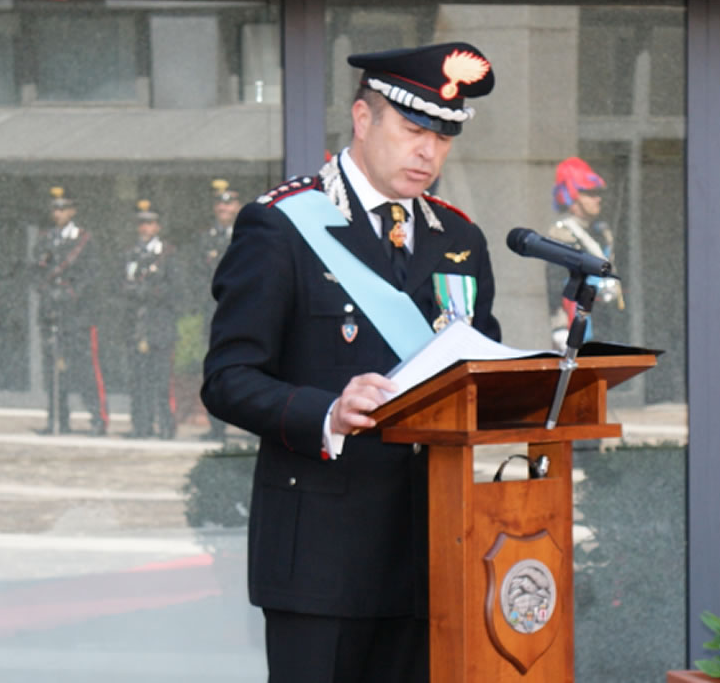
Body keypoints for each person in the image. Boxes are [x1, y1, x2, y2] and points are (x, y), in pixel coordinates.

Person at [201, 41, 500, 683]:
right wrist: (328, 412)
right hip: (322, 559)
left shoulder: (460, 240)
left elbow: (479, 372)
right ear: (364, 119)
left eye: (444, 138)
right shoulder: (281, 226)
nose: (429, 152)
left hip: (434, 547)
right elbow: (228, 379)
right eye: (415, 129)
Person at [31, 186, 109, 436]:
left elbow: (92, 274)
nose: (58, 212)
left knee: (84, 370)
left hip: (77, 315)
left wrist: (71, 293)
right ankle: (57, 418)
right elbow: (35, 271)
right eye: (55, 208)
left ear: (72, 211)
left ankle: (98, 418)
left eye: (63, 208)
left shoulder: (84, 240)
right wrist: (46, 291)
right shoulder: (45, 239)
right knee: (54, 370)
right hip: (52, 313)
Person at [545, 156, 622, 351]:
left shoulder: (601, 233)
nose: (598, 199)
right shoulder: (562, 235)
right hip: (577, 324)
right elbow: (555, 286)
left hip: (605, 321)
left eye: (597, 193)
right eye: (590, 193)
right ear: (571, 196)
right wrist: (559, 327)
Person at [123, 199, 180, 439]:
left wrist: (151, 293)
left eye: (150, 223)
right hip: (136, 326)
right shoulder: (129, 253)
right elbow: (120, 285)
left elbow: (177, 290)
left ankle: (166, 425)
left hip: (160, 325)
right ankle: (141, 425)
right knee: (138, 381)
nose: (145, 228)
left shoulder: (168, 254)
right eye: (141, 223)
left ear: (158, 226)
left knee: (161, 381)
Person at [193, 178, 241, 441]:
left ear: (238, 206)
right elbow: (198, 275)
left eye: (229, 203)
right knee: (214, 368)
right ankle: (216, 428)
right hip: (212, 311)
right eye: (220, 204)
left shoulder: (249, 233)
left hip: (243, 311)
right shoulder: (204, 238)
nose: (224, 209)